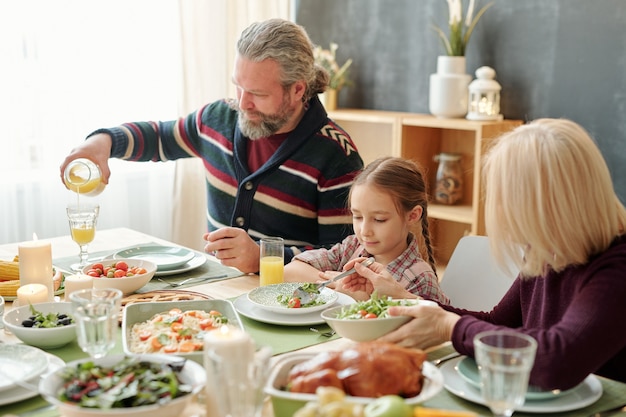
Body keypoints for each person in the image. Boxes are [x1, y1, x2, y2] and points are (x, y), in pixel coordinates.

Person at [59, 18, 364, 274]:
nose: (243, 103)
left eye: (257, 93)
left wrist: (263, 258)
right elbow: (162, 138)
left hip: (290, 306)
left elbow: (342, 258)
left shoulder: (336, 156)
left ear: (298, 89)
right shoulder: (219, 118)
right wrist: (103, 142)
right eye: (238, 86)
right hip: (217, 287)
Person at [343, 118, 626, 390]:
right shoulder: (550, 248)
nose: (502, 211)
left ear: (546, 204)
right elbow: (497, 323)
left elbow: (558, 359)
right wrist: (408, 298)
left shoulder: (617, 268)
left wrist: (450, 327)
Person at [284, 156, 449, 304]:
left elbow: (422, 332)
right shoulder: (353, 247)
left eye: (379, 219)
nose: (365, 231)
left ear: (412, 216)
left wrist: (361, 299)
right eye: (357, 217)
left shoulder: (420, 279)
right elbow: (290, 271)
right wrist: (339, 287)